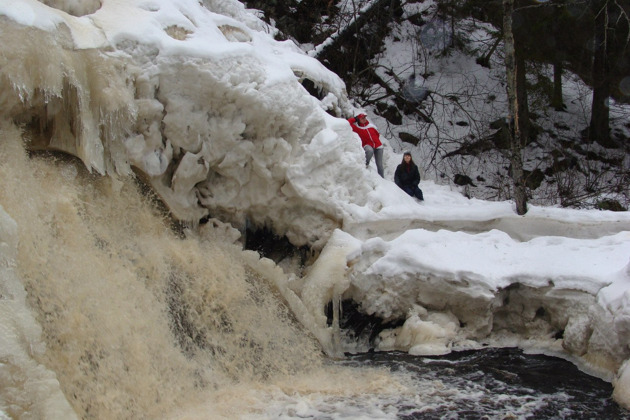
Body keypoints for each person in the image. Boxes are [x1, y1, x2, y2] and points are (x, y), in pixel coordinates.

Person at [347, 113, 384, 178]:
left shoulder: (371, 126)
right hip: (367, 145)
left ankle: (383, 179)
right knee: (369, 150)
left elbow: (377, 134)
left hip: (378, 146)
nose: (364, 119)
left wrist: (376, 141)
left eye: (365, 118)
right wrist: (354, 119)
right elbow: (348, 123)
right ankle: (365, 164)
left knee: (380, 165)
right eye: (362, 118)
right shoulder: (357, 128)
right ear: (358, 120)